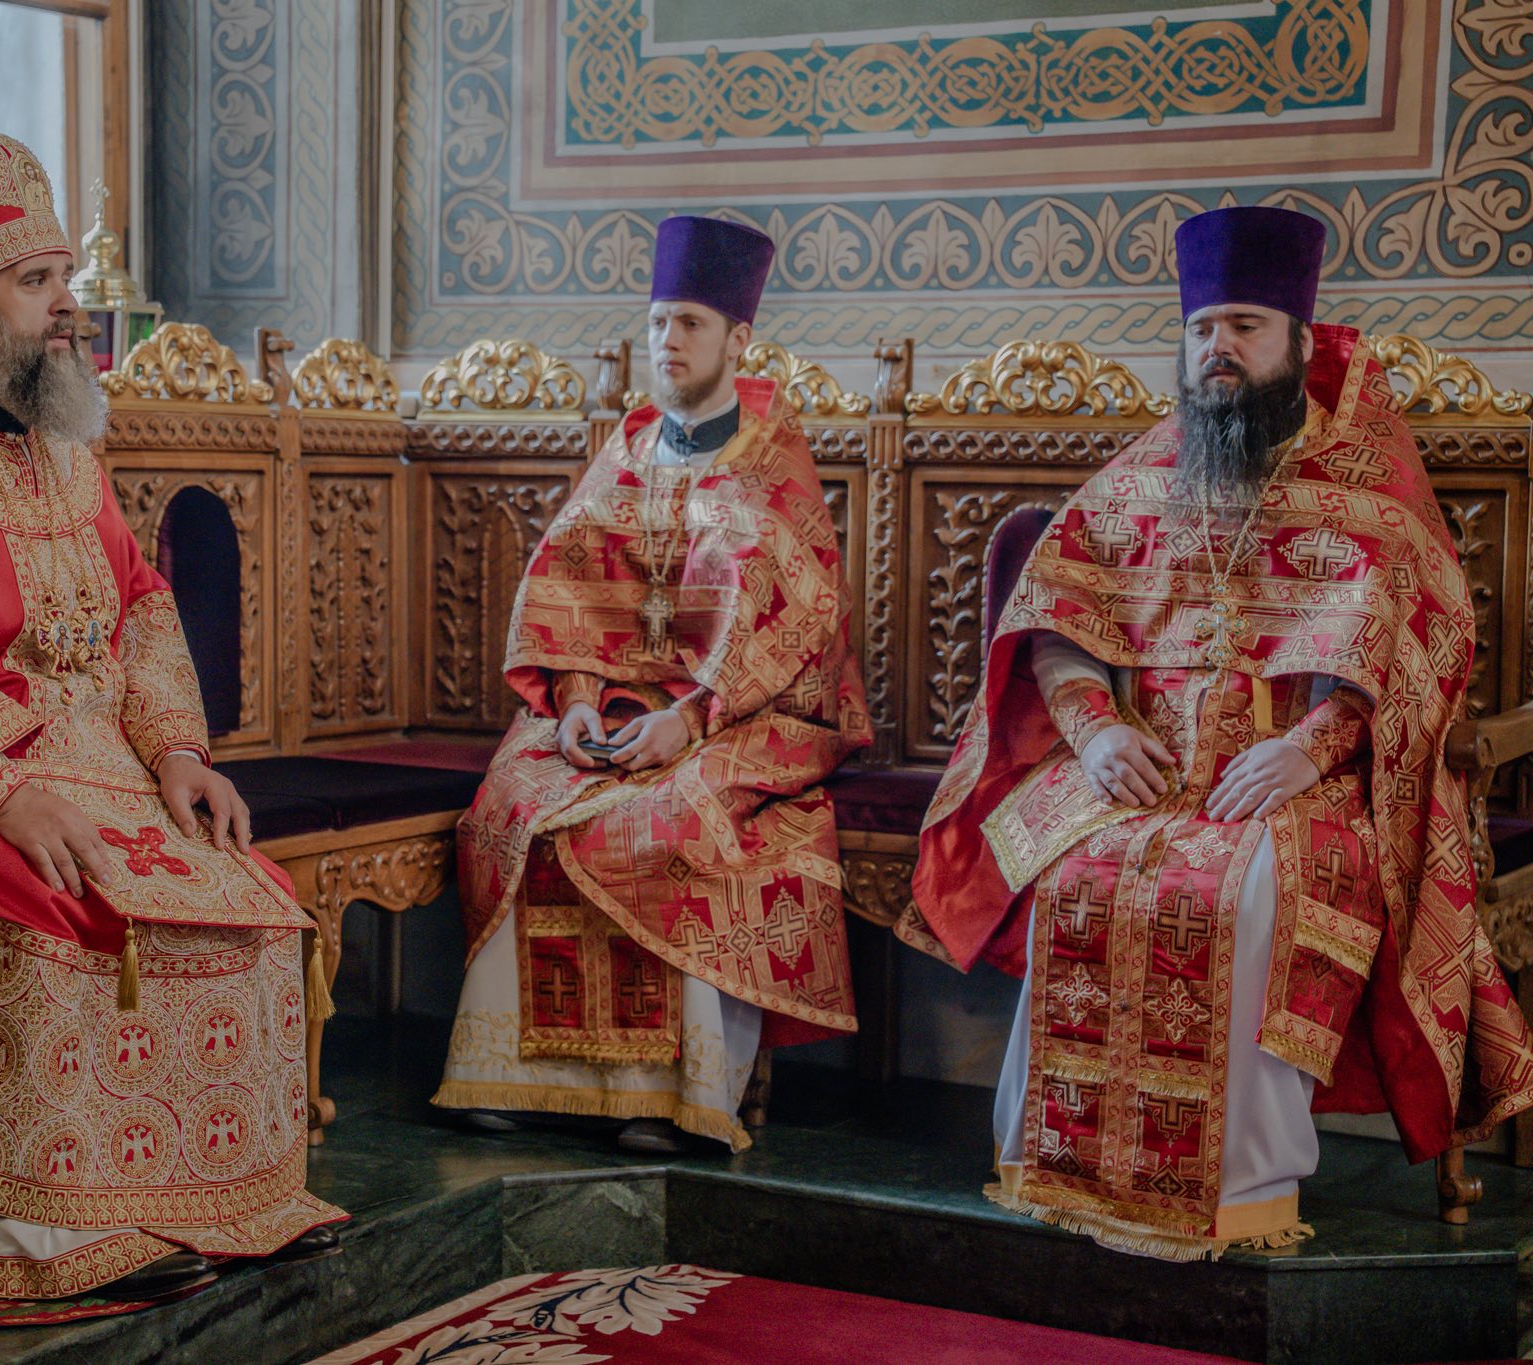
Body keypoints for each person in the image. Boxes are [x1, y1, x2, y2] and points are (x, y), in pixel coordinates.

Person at [0, 121, 343, 1300]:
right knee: (66, 914)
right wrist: (4, 792)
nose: (68, 307)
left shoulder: (67, 444)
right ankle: (51, 1240)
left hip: (110, 764)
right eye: (39, 283)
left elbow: (138, 605)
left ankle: (217, 1208)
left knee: (246, 898)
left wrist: (178, 753)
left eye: (63, 279)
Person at [902, 205, 1533, 1259]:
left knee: (1244, 888)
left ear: (1297, 339)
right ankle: (1051, 1158)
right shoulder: (1140, 476)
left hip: (1302, 777)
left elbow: (1411, 671)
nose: (1217, 348)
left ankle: (1242, 1185)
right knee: (1079, 870)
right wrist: (1095, 733)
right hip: (1141, 764)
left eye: (1243, 325)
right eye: (1201, 328)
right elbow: (1052, 628)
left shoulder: (1367, 490)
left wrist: (1305, 750)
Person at [432, 215, 872, 1154]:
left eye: (690, 325)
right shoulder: (628, 451)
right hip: (618, 707)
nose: (667, 341)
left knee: (670, 820)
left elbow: (797, 628)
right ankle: (516, 1073)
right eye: (658, 322)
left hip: (748, 716)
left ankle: (674, 1093)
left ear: (738, 340)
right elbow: (569, 597)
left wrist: (690, 718)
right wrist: (576, 703)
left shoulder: (772, 463)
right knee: (517, 800)